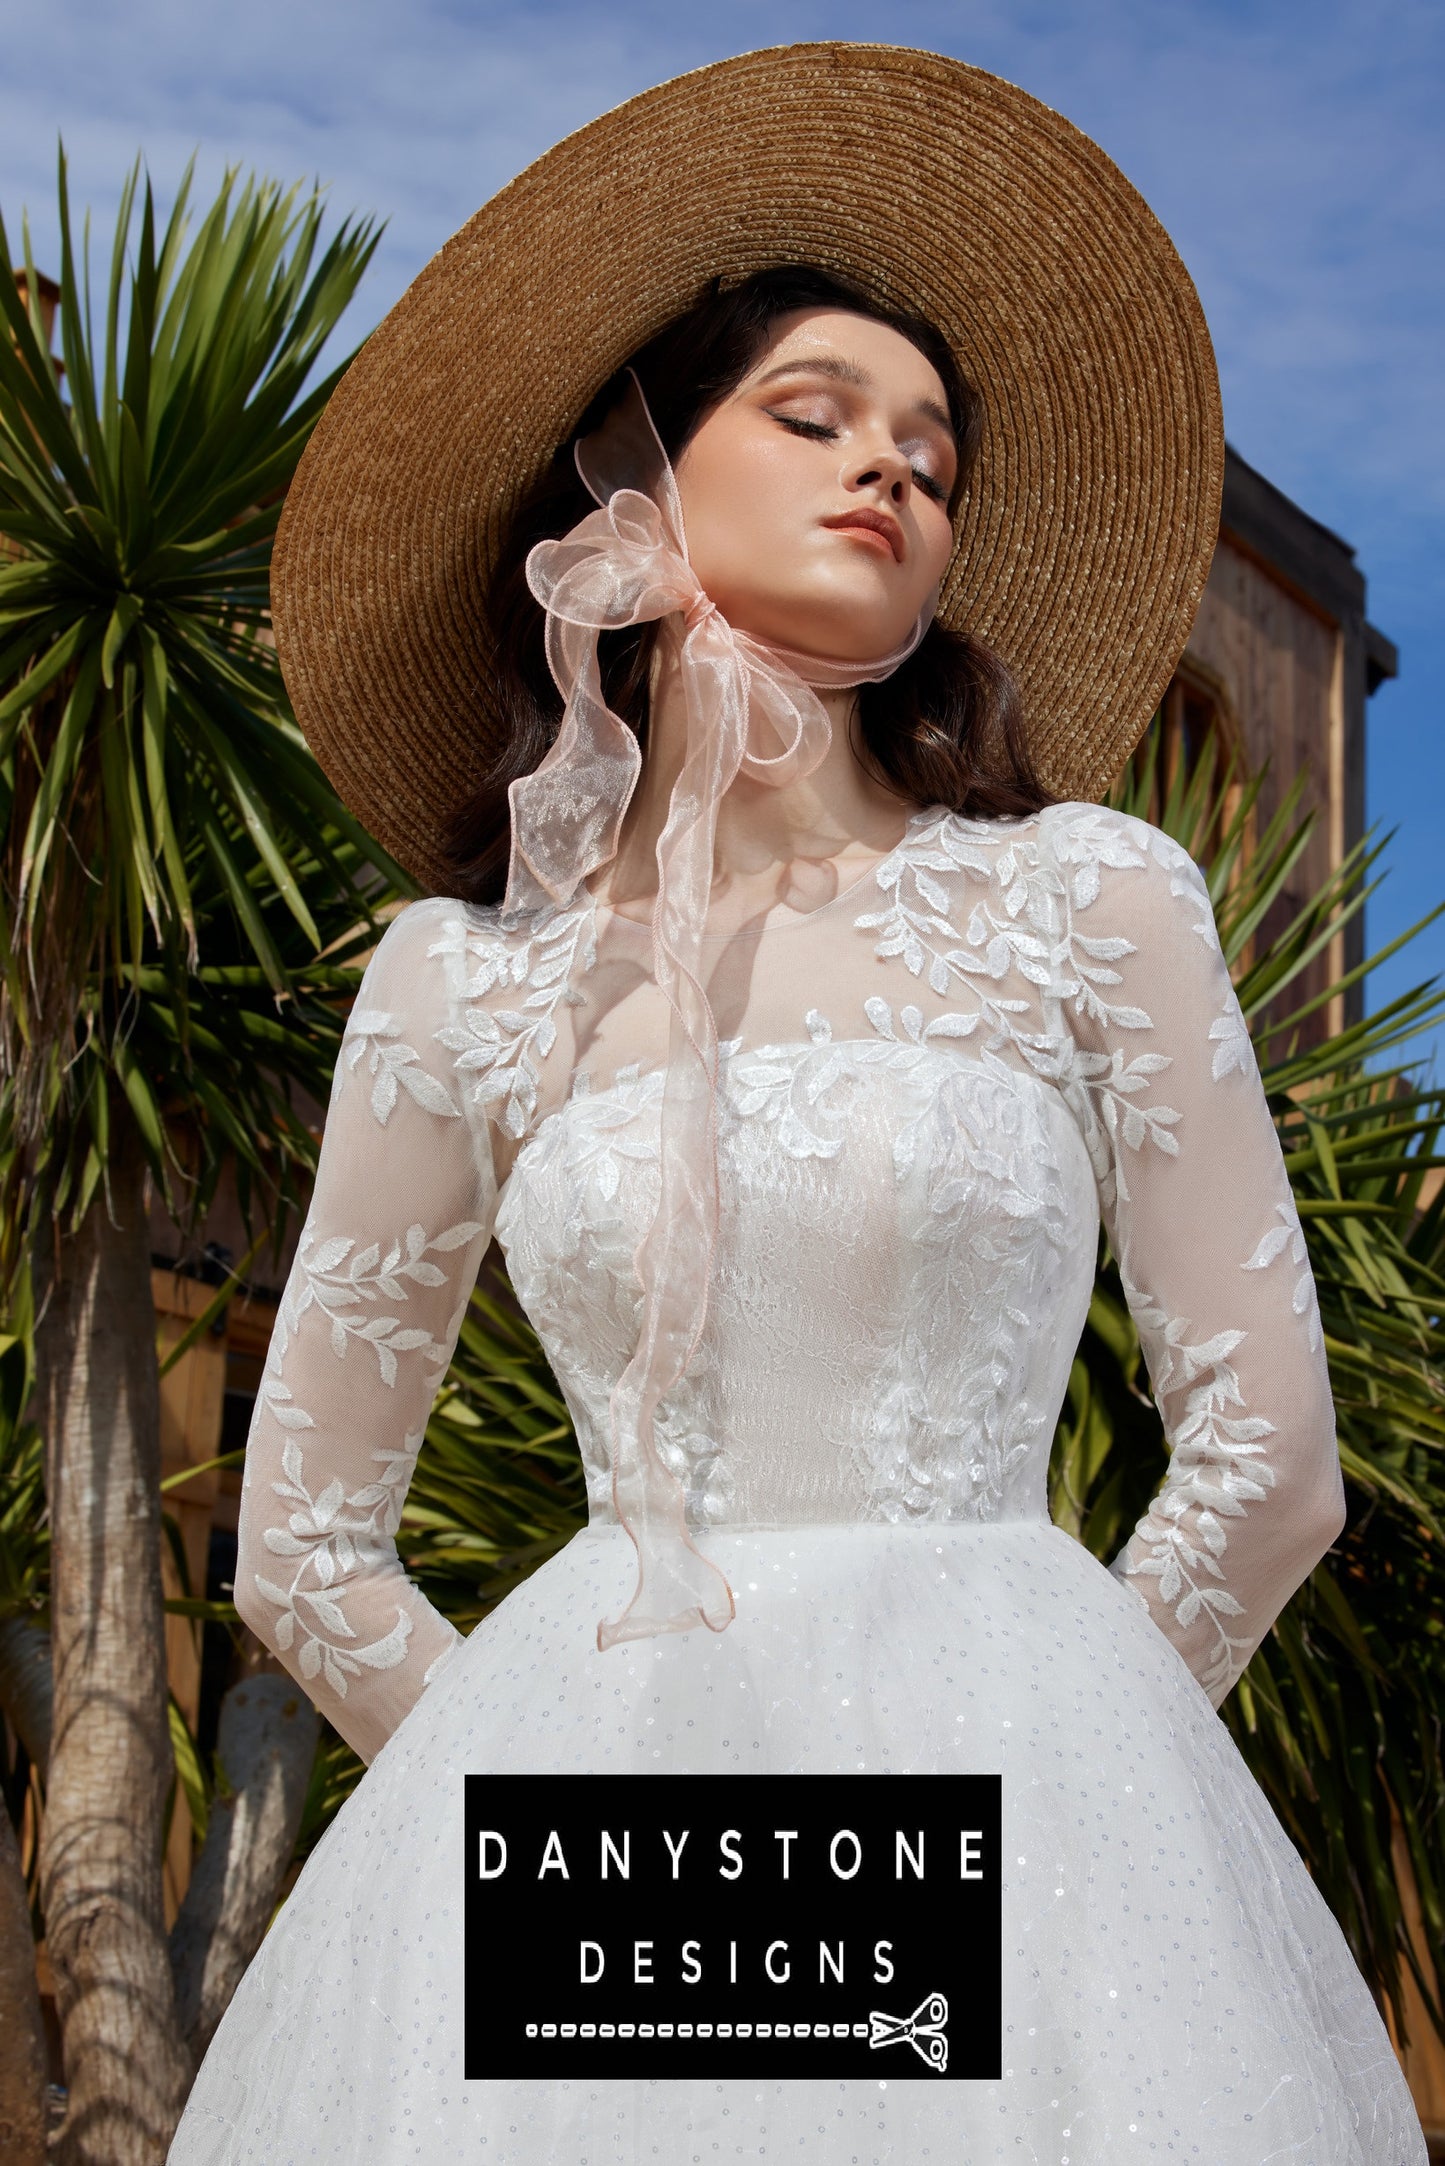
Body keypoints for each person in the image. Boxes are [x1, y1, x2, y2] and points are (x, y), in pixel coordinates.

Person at [167, 44, 1427, 2166]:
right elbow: (299, 1543)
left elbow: (1268, 1458)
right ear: (627, 481)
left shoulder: (1088, 898)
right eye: (820, 418)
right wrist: (554, 1801)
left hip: (1036, 1882)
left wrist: (1061, 1797)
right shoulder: (455, 979)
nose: (897, 474)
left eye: (933, 451)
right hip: (602, 1897)